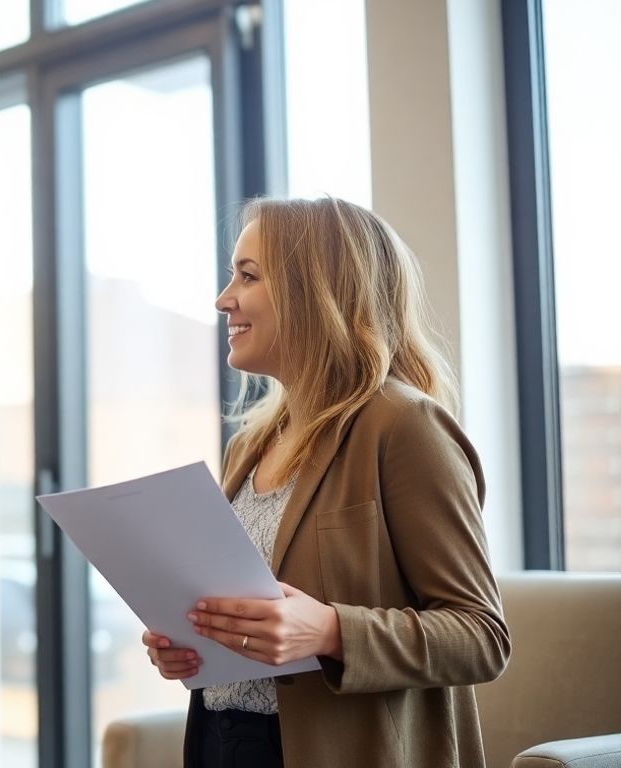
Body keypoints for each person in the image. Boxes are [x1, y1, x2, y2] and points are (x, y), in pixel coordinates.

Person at [142, 197, 511, 767]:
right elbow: (262, 619)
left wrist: (333, 631)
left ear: (315, 290)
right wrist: (196, 644)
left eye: (248, 276)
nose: (223, 300)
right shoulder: (249, 445)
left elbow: (480, 636)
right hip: (222, 742)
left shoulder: (404, 425)